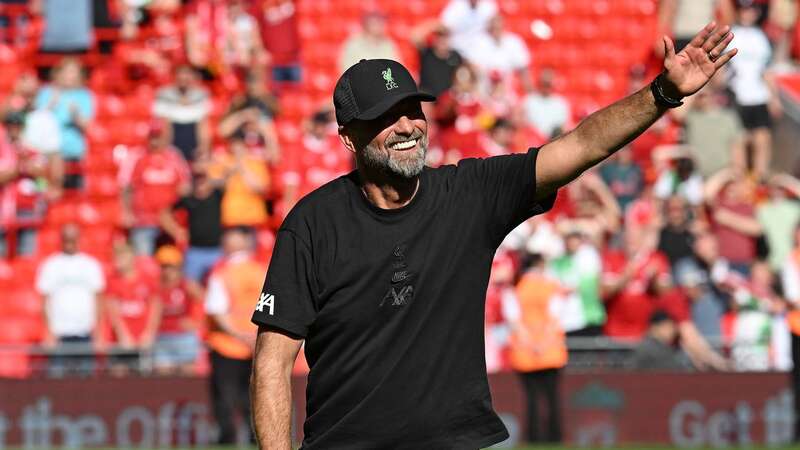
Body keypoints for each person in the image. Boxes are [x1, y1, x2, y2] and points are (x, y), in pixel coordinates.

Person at [251, 21, 738, 448]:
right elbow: (273, 361)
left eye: (412, 110)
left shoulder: (470, 194)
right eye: (384, 117)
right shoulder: (312, 223)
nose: (406, 127)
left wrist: (662, 94)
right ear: (348, 136)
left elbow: (582, 145)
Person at [205, 227, 263, 444]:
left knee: (225, 403)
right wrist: (253, 336)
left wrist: (239, 335)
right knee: (256, 400)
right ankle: (255, 440)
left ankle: (227, 441)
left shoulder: (222, 273)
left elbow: (216, 311)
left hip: (227, 346)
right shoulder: (264, 272)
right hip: (256, 345)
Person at [506, 253, 566, 443]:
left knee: (531, 398)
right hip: (550, 351)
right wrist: (543, 343)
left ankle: (533, 438)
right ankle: (554, 438)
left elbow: (513, 320)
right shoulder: (551, 286)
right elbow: (556, 319)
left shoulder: (515, 288)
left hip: (524, 351)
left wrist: (530, 343)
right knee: (552, 397)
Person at [35, 224, 105, 377]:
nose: (70, 243)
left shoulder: (90, 264)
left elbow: (98, 299)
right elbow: (44, 300)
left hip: (85, 332)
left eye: (73, 239)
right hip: (59, 333)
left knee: (86, 380)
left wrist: (98, 331)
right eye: (67, 239)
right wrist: (48, 332)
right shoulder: (51, 265)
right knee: (57, 380)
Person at [122, 121, 191, 256]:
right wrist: (127, 212)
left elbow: (185, 187)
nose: (155, 141)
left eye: (158, 137)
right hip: (144, 220)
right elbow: (125, 186)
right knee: (145, 262)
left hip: (171, 222)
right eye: (152, 137)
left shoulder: (174, 157)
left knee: (172, 261)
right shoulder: (137, 156)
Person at [728, 0, 777, 177]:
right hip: (737, 94)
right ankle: (740, 178)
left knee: (762, 138)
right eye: (743, 10)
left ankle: (760, 177)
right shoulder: (730, 35)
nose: (746, 14)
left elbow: (767, 71)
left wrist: (774, 98)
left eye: (750, 10)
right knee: (739, 140)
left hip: (758, 95)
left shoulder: (761, 37)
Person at [33, 57, 94, 189]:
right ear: (58, 73)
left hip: (72, 155)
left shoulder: (83, 95)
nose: (70, 76)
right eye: (68, 71)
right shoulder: (46, 92)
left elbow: (88, 126)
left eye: (74, 72)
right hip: (47, 155)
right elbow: (36, 122)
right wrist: (50, 106)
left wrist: (76, 115)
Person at [160, 168, 225, 282]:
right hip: (195, 251)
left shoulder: (217, 195)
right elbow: (165, 213)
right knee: (189, 283)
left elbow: (225, 180)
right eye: (197, 181)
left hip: (216, 250)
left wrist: (212, 179)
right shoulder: (189, 199)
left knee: (219, 282)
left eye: (203, 181)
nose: (200, 185)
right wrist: (176, 231)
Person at [0, 110, 50, 258]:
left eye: (17, 126)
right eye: (11, 125)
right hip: (3, 207)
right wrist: (21, 167)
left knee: (27, 255)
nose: (14, 129)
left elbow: (41, 172)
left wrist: (20, 166)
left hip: (26, 207)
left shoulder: (30, 149)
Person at [103, 243, 159, 375]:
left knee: (144, 379)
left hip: (143, 338)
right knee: (119, 375)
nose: (117, 260)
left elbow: (155, 306)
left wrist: (149, 333)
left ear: (131, 257)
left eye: (121, 256)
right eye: (116, 257)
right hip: (121, 340)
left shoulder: (146, 279)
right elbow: (113, 310)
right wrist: (123, 334)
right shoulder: (113, 281)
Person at [151, 245, 203, 375]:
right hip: (162, 336)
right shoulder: (156, 286)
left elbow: (205, 301)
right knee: (163, 376)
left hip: (183, 336)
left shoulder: (186, 285)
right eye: (164, 267)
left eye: (171, 267)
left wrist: (196, 321)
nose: (167, 271)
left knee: (188, 374)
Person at [153, 65, 212, 162]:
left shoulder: (201, 94)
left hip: (192, 134)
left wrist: (203, 147)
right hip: (173, 134)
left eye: (186, 78)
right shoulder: (163, 94)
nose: (183, 81)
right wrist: (165, 147)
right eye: (181, 78)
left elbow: (203, 124)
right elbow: (163, 123)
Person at [462, 15, 532, 90]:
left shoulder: (513, 42)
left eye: (498, 28)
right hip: (484, 87)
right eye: (493, 28)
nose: (496, 31)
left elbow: (523, 68)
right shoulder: (479, 41)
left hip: (506, 89)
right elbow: (470, 63)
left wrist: (529, 91)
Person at [411, 21, 463, 98]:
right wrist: (433, 26)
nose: (442, 40)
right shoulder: (427, 53)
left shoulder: (456, 57)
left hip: (446, 101)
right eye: (439, 37)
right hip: (426, 99)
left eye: (445, 37)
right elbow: (414, 36)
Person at [522, 68, 571, 140]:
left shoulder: (560, 103)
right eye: (544, 83)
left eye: (548, 84)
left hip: (554, 141)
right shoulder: (529, 100)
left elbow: (564, 126)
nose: (546, 87)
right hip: (532, 141)